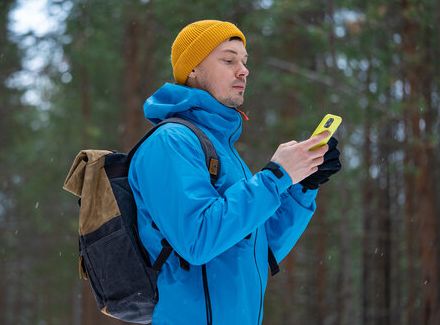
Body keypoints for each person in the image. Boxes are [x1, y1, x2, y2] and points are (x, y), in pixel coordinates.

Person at [128, 20, 341, 324]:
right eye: (228, 60)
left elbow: (260, 248)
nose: (243, 70)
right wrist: (276, 176)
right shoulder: (170, 142)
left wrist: (302, 185)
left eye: (244, 61)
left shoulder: (223, 149)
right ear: (193, 70)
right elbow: (198, 240)